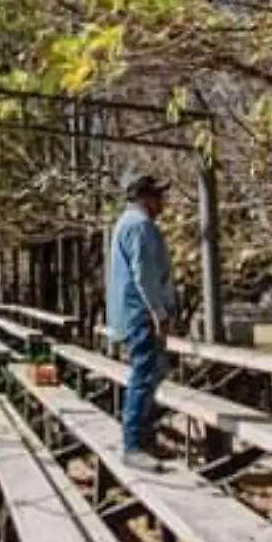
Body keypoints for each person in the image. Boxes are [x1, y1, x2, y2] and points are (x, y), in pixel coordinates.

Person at [106, 171, 177, 471]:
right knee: (144, 375)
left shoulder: (126, 223)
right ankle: (133, 445)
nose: (163, 201)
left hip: (132, 314)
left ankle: (145, 437)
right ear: (144, 197)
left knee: (154, 371)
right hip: (141, 315)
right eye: (158, 195)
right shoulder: (141, 226)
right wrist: (159, 313)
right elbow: (144, 275)